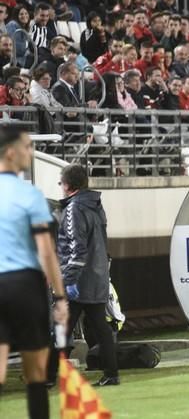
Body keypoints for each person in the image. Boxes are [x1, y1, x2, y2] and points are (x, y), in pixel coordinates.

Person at [0, 125, 68, 419]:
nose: (32, 152)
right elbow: (46, 251)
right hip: (23, 285)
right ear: (12, 152)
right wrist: (60, 297)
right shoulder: (30, 195)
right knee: (36, 373)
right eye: (28, 147)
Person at [56, 164, 120, 387]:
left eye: (61, 183)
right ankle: (112, 373)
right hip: (98, 274)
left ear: (68, 185)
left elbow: (77, 248)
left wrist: (69, 279)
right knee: (100, 326)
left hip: (80, 279)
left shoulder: (74, 209)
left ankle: (53, 376)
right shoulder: (96, 206)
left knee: (63, 327)